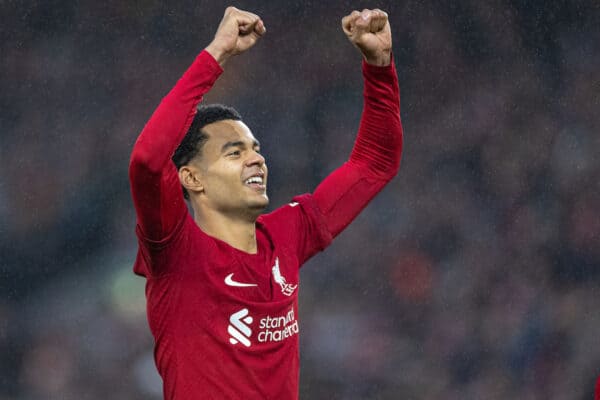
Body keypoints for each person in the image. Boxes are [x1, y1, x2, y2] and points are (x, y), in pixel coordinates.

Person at [129, 6, 403, 399]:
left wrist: (379, 68)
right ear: (191, 178)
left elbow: (375, 163)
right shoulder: (176, 251)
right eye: (234, 152)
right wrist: (216, 54)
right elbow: (147, 161)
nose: (256, 158)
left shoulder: (286, 235)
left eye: (255, 149)